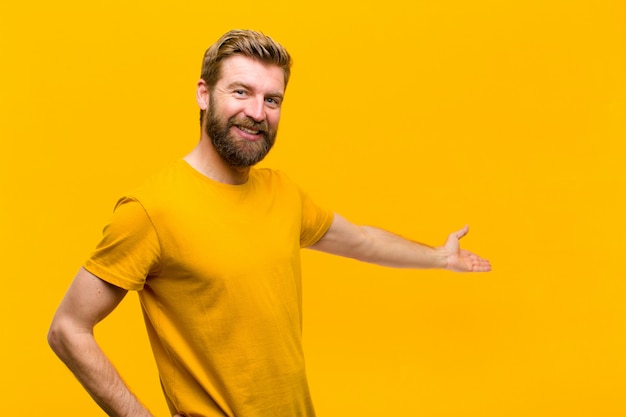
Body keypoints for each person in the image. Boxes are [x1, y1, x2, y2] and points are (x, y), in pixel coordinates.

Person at [48, 29, 491, 417]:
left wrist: (439, 256)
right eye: (241, 92)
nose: (258, 113)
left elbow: (359, 240)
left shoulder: (281, 191)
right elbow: (68, 329)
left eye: (272, 99)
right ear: (204, 94)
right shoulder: (151, 210)